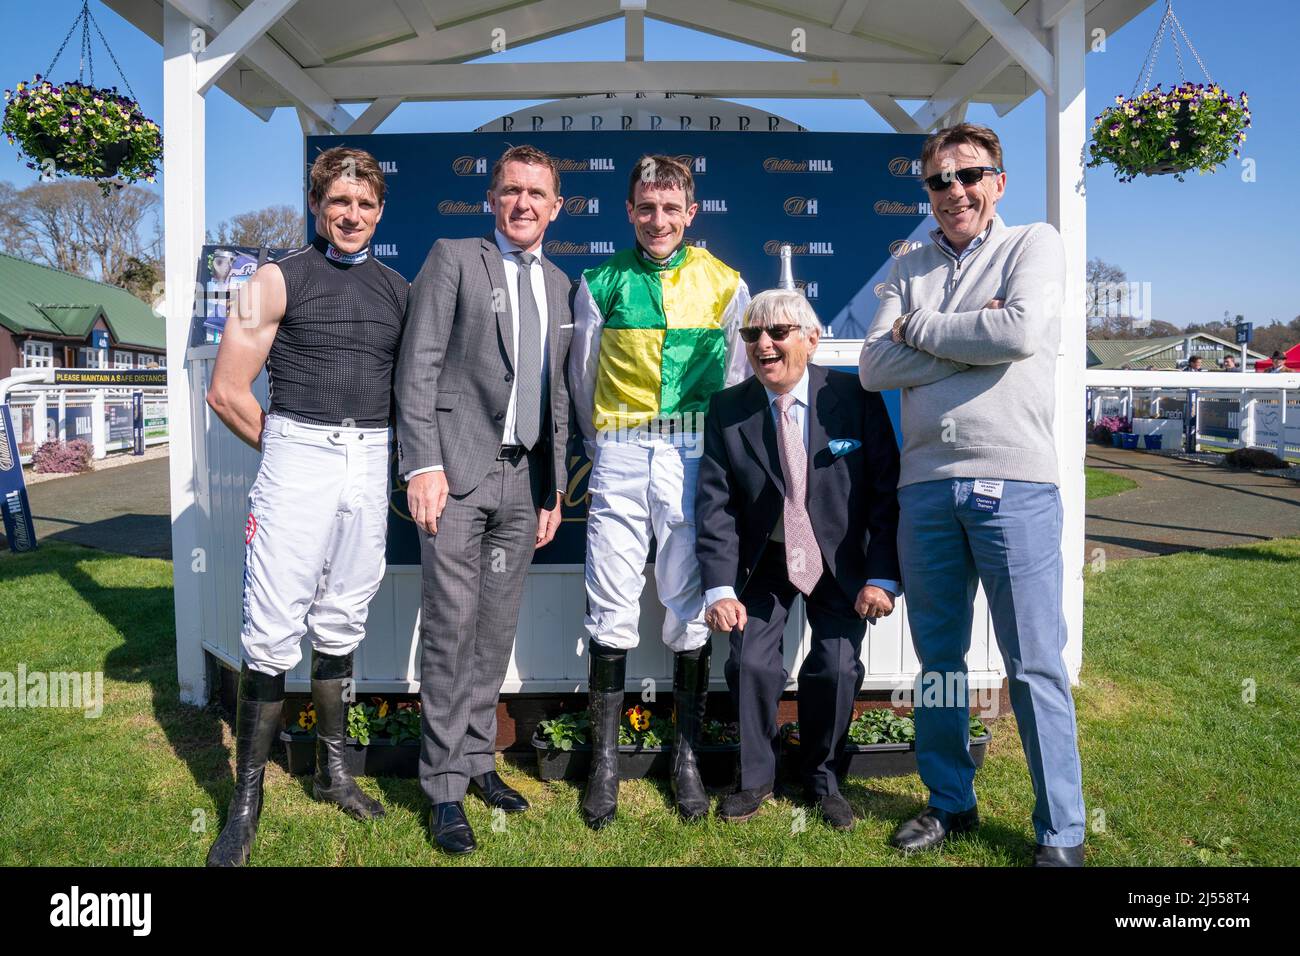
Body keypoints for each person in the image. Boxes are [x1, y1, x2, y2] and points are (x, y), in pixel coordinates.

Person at [858, 123, 1086, 866]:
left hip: (1015, 484)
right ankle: (950, 802)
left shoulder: (1034, 245)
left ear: (998, 182)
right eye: (938, 181)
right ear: (924, 189)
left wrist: (922, 329)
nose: (954, 191)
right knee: (941, 663)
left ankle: (1062, 833)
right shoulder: (908, 259)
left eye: (970, 176)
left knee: (1034, 665)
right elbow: (873, 366)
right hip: (926, 487)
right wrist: (970, 341)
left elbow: (1018, 335)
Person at [204, 147, 408, 866]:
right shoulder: (273, 279)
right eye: (338, 202)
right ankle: (246, 801)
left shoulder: (398, 290)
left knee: (343, 614)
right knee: (270, 630)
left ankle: (333, 774)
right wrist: (289, 452)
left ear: (380, 210)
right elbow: (227, 390)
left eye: (365, 204)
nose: (351, 216)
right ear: (317, 205)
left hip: (371, 458)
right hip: (298, 451)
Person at [395, 145, 572, 855]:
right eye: (510, 192)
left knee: (494, 631)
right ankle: (441, 787)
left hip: (522, 482)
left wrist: (554, 490)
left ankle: (477, 763)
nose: (523, 203)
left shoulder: (561, 283)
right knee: (450, 629)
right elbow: (419, 366)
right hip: (456, 476)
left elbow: (556, 392)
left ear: (556, 208)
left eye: (536, 193)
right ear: (491, 201)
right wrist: (423, 465)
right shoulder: (454, 257)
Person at [568, 154, 750, 827]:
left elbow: (735, 379)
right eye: (646, 208)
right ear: (629, 210)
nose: (658, 220)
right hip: (619, 446)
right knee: (610, 599)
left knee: (688, 600)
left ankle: (687, 760)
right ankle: (605, 766)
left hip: (692, 447)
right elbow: (582, 376)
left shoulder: (728, 284)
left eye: (671, 208)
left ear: (691, 212)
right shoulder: (599, 281)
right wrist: (604, 442)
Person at [696, 289, 900, 829]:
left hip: (838, 563)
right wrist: (719, 589)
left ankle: (822, 777)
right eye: (751, 334)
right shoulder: (728, 408)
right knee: (751, 663)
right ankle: (755, 778)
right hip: (765, 560)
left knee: (835, 666)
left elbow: (885, 493)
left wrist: (880, 576)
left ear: (811, 339)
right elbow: (714, 506)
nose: (763, 344)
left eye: (777, 332)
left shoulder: (855, 396)